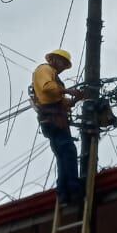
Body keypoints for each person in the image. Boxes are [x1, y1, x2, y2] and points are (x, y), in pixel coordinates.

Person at [31, 49, 85, 205]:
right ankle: (73, 188)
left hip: (56, 120)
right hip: (52, 120)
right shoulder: (44, 70)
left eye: (66, 65)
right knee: (68, 150)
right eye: (62, 63)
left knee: (63, 155)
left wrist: (75, 99)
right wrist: (68, 90)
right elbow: (47, 87)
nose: (63, 67)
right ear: (54, 60)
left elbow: (62, 102)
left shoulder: (55, 79)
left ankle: (64, 193)